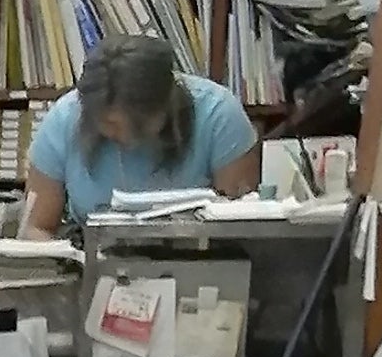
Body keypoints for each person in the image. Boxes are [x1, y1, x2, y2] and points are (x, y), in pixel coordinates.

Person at [22, 28, 254, 235]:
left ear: (167, 102)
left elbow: (240, 228)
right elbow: (35, 228)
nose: (125, 136)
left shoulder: (219, 115)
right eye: (109, 124)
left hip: (200, 261)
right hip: (91, 259)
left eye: (139, 124)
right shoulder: (65, 117)